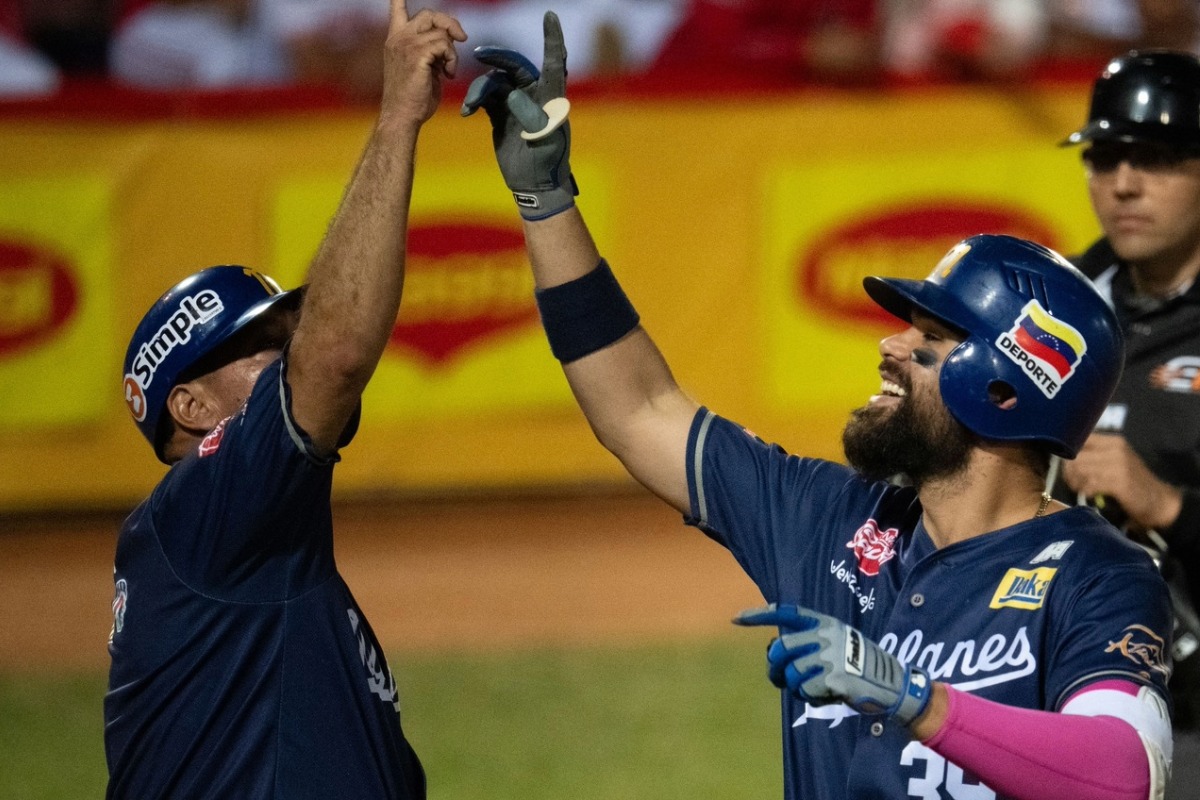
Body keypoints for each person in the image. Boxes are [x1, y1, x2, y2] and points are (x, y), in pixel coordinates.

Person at [463, 13, 1175, 799]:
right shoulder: (832, 523)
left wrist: (916, 700)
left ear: (1005, 389)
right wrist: (546, 200)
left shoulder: (1096, 574)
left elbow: (1120, 778)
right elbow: (640, 410)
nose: (890, 349)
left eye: (931, 340)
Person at [103, 2, 465, 797]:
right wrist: (399, 116)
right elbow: (333, 356)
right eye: (258, 346)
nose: (287, 356)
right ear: (192, 409)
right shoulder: (205, 507)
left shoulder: (252, 550)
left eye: (283, 336)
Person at [1056, 48, 1200, 796]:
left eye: (1156, 159)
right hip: (1069, 689)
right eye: (1105, 157)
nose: (1123, 184)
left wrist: (1170, 507)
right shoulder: (1057, 313)